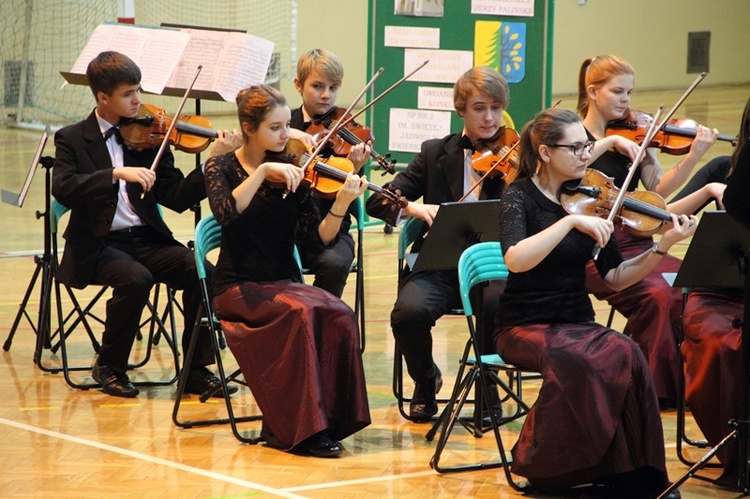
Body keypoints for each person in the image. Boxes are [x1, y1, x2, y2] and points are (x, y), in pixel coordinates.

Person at [494, 107, 695, 497]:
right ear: (546, 152)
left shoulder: (593, 197)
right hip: (523, 325)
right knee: (576, 360)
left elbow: (616, 277)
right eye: (576, 147)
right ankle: (547, 469)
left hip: (576, 322)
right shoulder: (518, 196)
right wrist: (568, 223)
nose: (587, 154)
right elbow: (515, 259)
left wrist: (662, 245)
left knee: (628, 353)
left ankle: (631, 468)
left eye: (588, 145)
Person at [52, 51, 241, 399]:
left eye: (139, 90)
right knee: (136, 278)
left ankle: (195, 370)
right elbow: (63, 186)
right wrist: (113, 174)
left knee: (202, 273)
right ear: (102, 97)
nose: (139, 100)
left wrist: (212, 164)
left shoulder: (150, 134)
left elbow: (179, 197)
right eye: (128, 94)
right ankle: (109, 366)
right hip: (99, 245)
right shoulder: (72, 138)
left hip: (146, 238)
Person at [204, 84, 371, 457]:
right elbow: (226, 214)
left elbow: (315, 241)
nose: (287, 135)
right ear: (249, 128)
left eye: (286, 126)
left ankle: (331, 421)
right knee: (300, 313)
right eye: (275, 128)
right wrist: (262, 171)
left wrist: (341, 202)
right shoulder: (221, 166)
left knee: (339, 312)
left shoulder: (295, 170)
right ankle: (300, 432)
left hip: (283, 282)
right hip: (238, 286)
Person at [366, 66, 509, 421]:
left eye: (495, 107)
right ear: (461, 109)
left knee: (498, 305)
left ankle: (487, 383)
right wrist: (412, 207)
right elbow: (378, 200)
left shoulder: (517, 155)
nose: (489, 118)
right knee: (407, 314)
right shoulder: (434, 153)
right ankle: (427, 380)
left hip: (497, 266)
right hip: (441, 265)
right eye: (479, 108)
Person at [577, 54, 719, 407]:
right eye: (618, 92)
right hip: (596, 248)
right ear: (593, 92)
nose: (626, 100)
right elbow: (569, 167)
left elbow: (658, 193)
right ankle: (654, 389)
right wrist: (610, 144)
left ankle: (680, 380)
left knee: (687, 286)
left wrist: (692, 156)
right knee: (658, 296)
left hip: (638, 241)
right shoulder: (575, 136)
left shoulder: (634, 135)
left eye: (629, 92)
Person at [681, 97, 750, 487]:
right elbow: (658, 213)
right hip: (715, 295)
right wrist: (707, 190)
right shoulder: (724, 168)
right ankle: (734, 450)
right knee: (723, 346)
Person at [288, 48, 371, 297]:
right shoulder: (283, 124)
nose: (326, 95)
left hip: (332, 225)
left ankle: (321, 322)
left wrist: (354, 168)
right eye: (317, 86)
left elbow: (346, 192)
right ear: (298, 85)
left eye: (333, 88)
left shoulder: (347, 132)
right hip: (287, 225)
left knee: (334, 264)